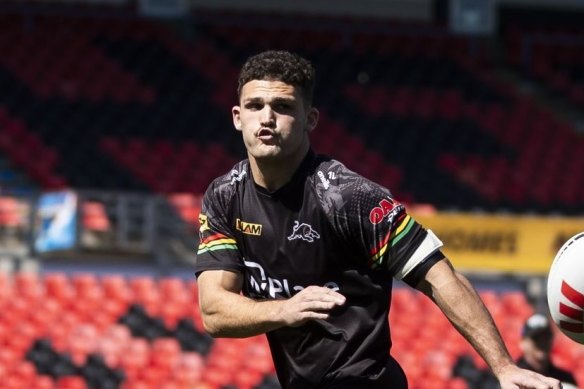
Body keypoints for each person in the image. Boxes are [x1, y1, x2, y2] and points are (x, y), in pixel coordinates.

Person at [194, 49, 562, 389]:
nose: (268, 118)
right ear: (238, 118)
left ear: (310, 118)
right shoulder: (225, 197)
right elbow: (213, 311)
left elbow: (439, 275)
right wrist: (284, 310)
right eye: (255, 105)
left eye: (283, 106)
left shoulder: (349, 198)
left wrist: (502, 366)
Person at [517, 313, 577, 386]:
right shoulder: (513, 377)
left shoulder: (565, 378)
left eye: (546, 337)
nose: (542, 342)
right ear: (523, 343)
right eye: (536, 338)